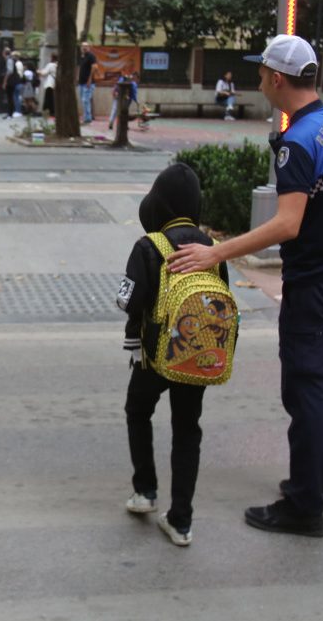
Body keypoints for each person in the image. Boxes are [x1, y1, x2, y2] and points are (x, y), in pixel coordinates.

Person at [167, 34, 323, 539]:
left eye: (261, 72)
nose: (258, 79)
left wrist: (214, 252)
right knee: (310, 383)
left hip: (317, 281)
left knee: (304, 389)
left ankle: (305, 507)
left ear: (277, 79)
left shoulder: (298, 142)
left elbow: (287, 225)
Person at [116, 164, 228, 547]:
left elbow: (126, 299)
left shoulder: (150, 246)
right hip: (194, 357)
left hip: (153, 357)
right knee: (187, 430)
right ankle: (181, 521)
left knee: (138, 411)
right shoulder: (213, 248)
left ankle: (145, 491)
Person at [77, 42, 98, 124]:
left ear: (89, 47)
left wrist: (90, 79)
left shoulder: (91, 56)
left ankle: (87, 118)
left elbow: (94, 67)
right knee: (83, 100)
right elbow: (79, 68)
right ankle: (86, 116)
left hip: (88, 83)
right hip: (81, 82)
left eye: (86, 46)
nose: (84, 48)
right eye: (83, 46)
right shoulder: (82, 57)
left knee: (85, 100)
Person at [39, 52, 58, 117]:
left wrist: (38, 71)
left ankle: (46, 111)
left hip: (49, 83)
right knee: (52, 98)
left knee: (48, 98)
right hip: (55, 83)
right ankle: (53, 111)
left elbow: (44, 73)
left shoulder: (50, 65)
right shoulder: (57, 65)